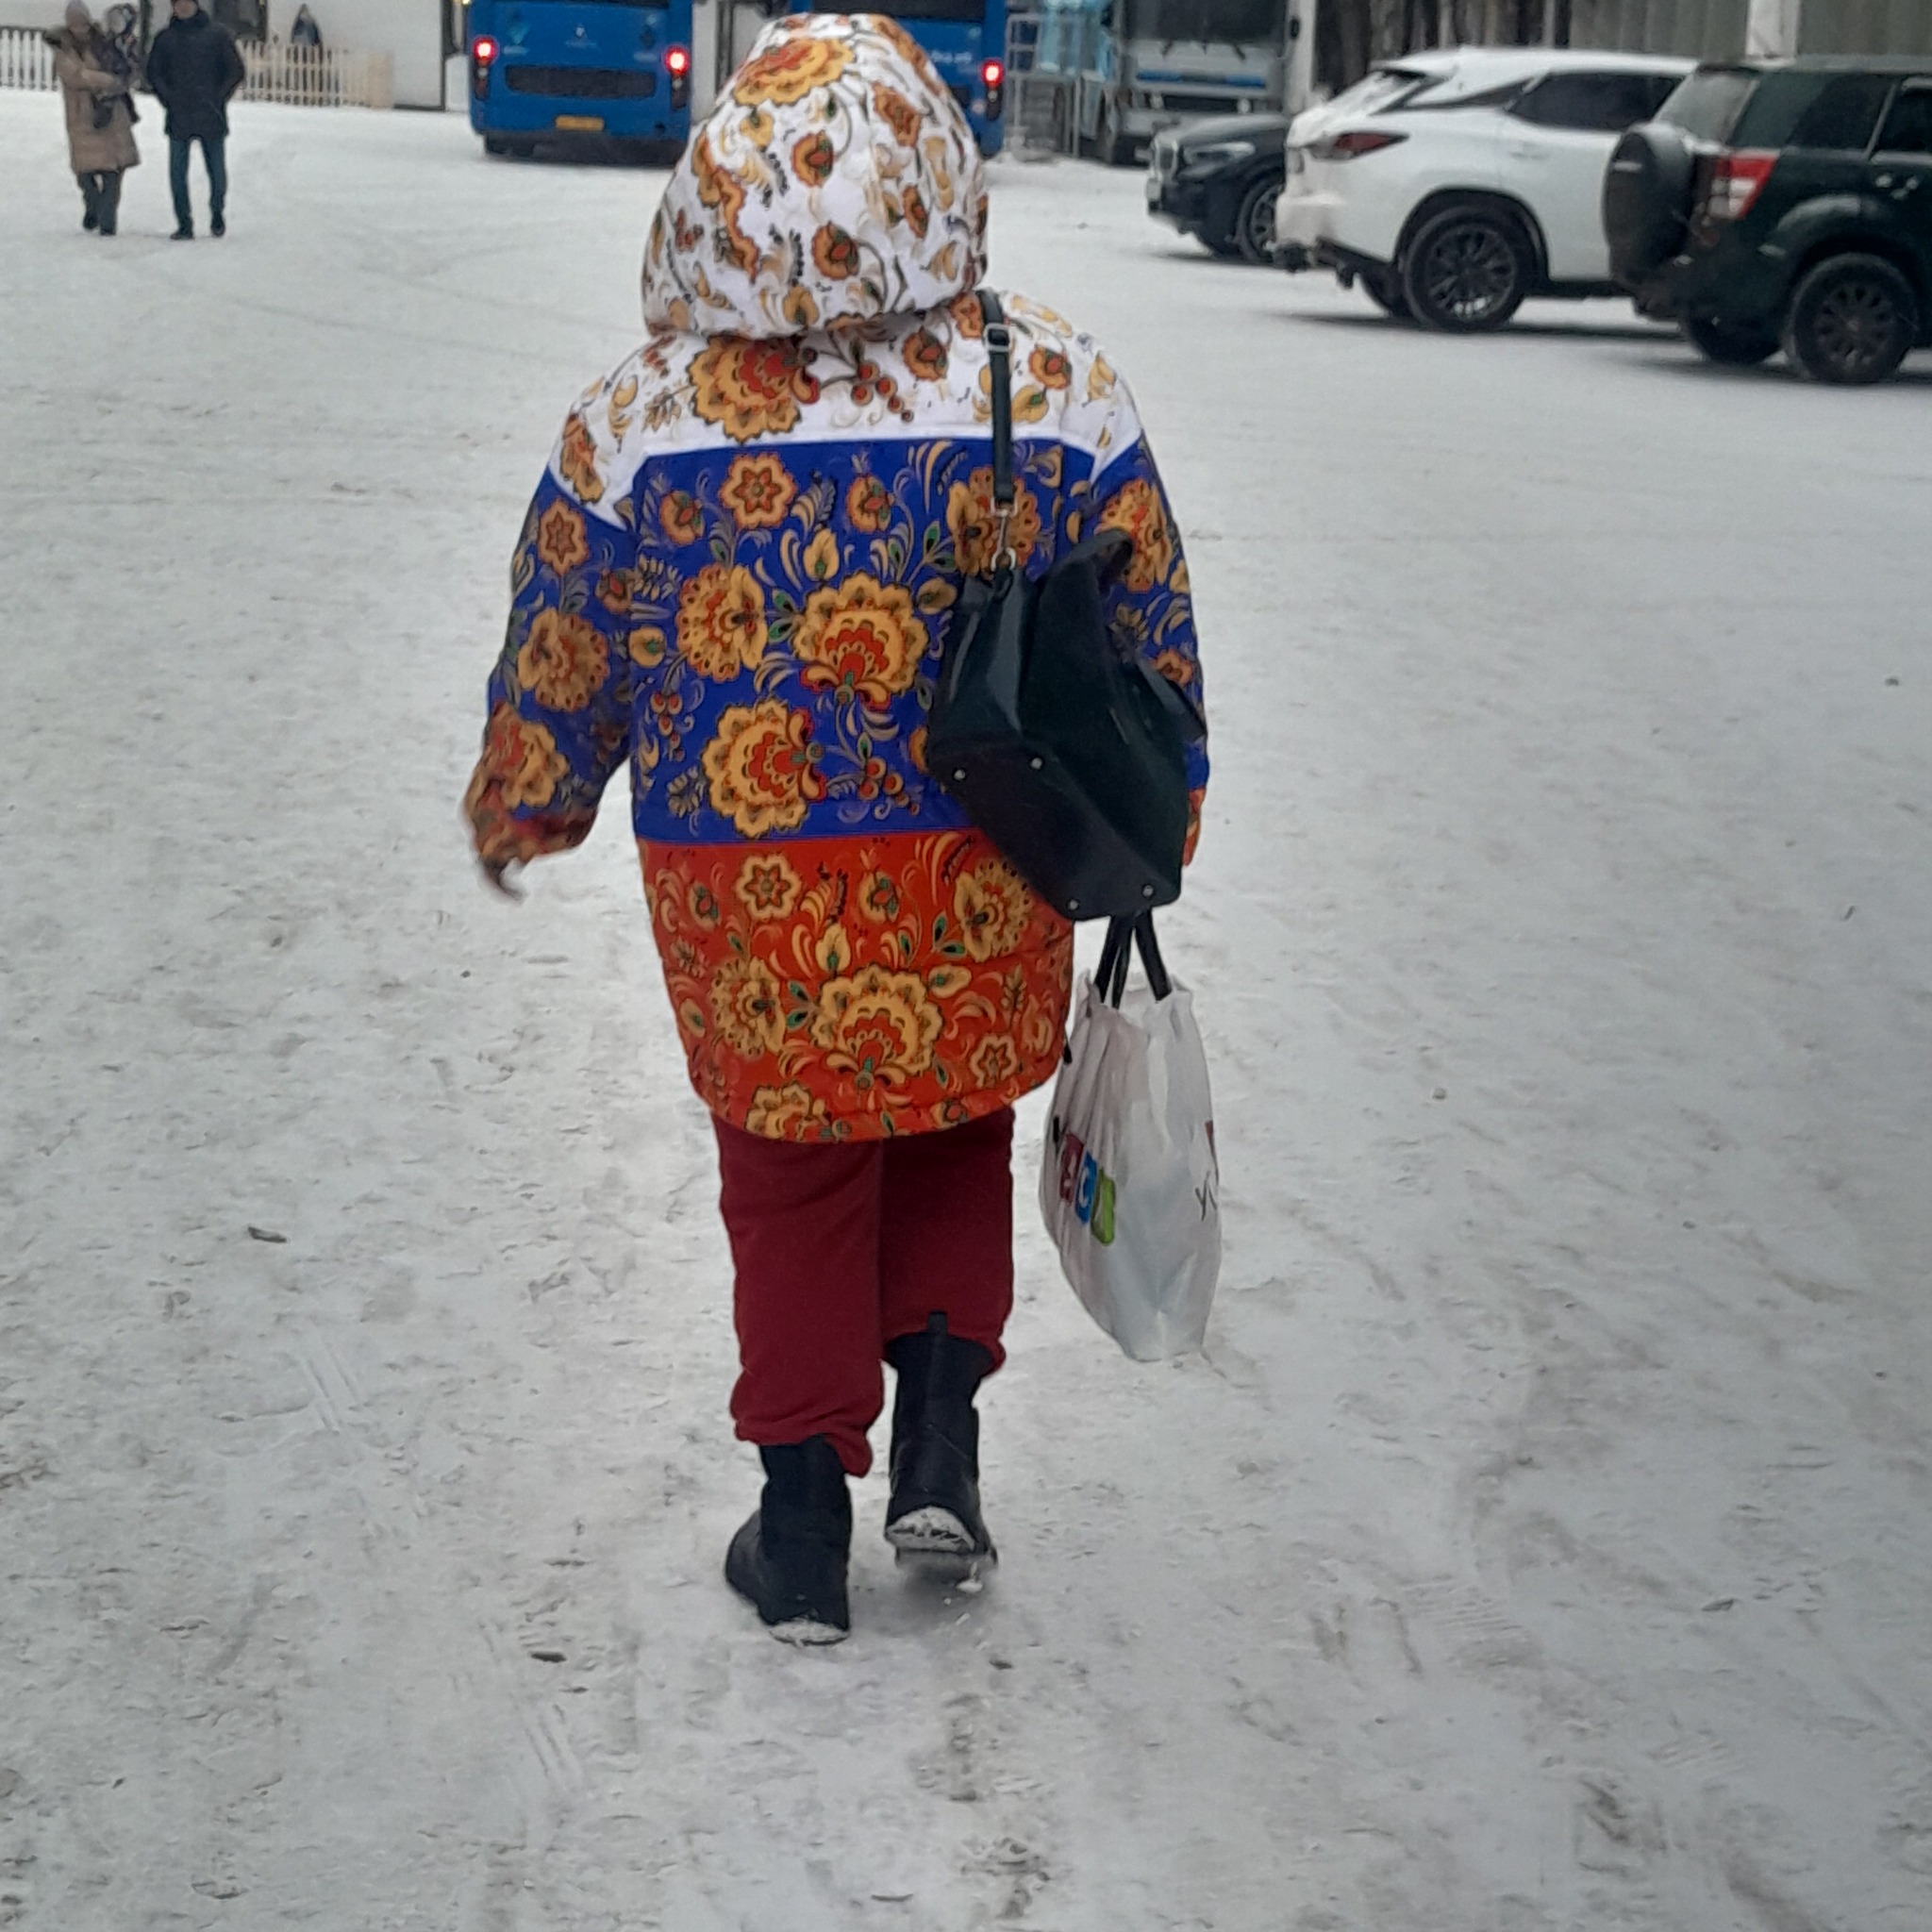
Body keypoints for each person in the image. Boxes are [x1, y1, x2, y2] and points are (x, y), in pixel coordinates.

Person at [462, 13, 1207, 1646]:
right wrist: (1173, 810)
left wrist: (530, 793)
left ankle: (799, 1524)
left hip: (748, 904)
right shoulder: (1051, 380)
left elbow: (565, 638)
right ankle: (941, 1446)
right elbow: (1143, 629)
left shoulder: (636, 416)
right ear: (931, 164)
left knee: (789, 1185)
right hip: (982, 864)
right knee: (948, 1131)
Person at [144, 0, 244, 241]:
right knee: (177, 174)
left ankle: (217, 211)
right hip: (179, 114)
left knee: (217, 173)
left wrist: (219, 97)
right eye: (178, 3)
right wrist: (168, 98)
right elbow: (153, 72)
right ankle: (184, 223)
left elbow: (235, 70)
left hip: (211, 113)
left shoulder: (217, 35)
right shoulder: (165, 38)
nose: (183, 8)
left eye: (187, 2)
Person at [47, 2, 141, 237]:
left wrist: (120, 79)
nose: (79, 27)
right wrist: (109, 81)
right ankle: (93, 206)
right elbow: (75, 76)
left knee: (114, 169)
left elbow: (126, 67)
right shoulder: (63, 48)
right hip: (81, 116)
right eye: (74, 22)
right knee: (85, 171)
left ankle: (108, 221)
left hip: (111, 112)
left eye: (82, 21)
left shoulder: (105, 43)